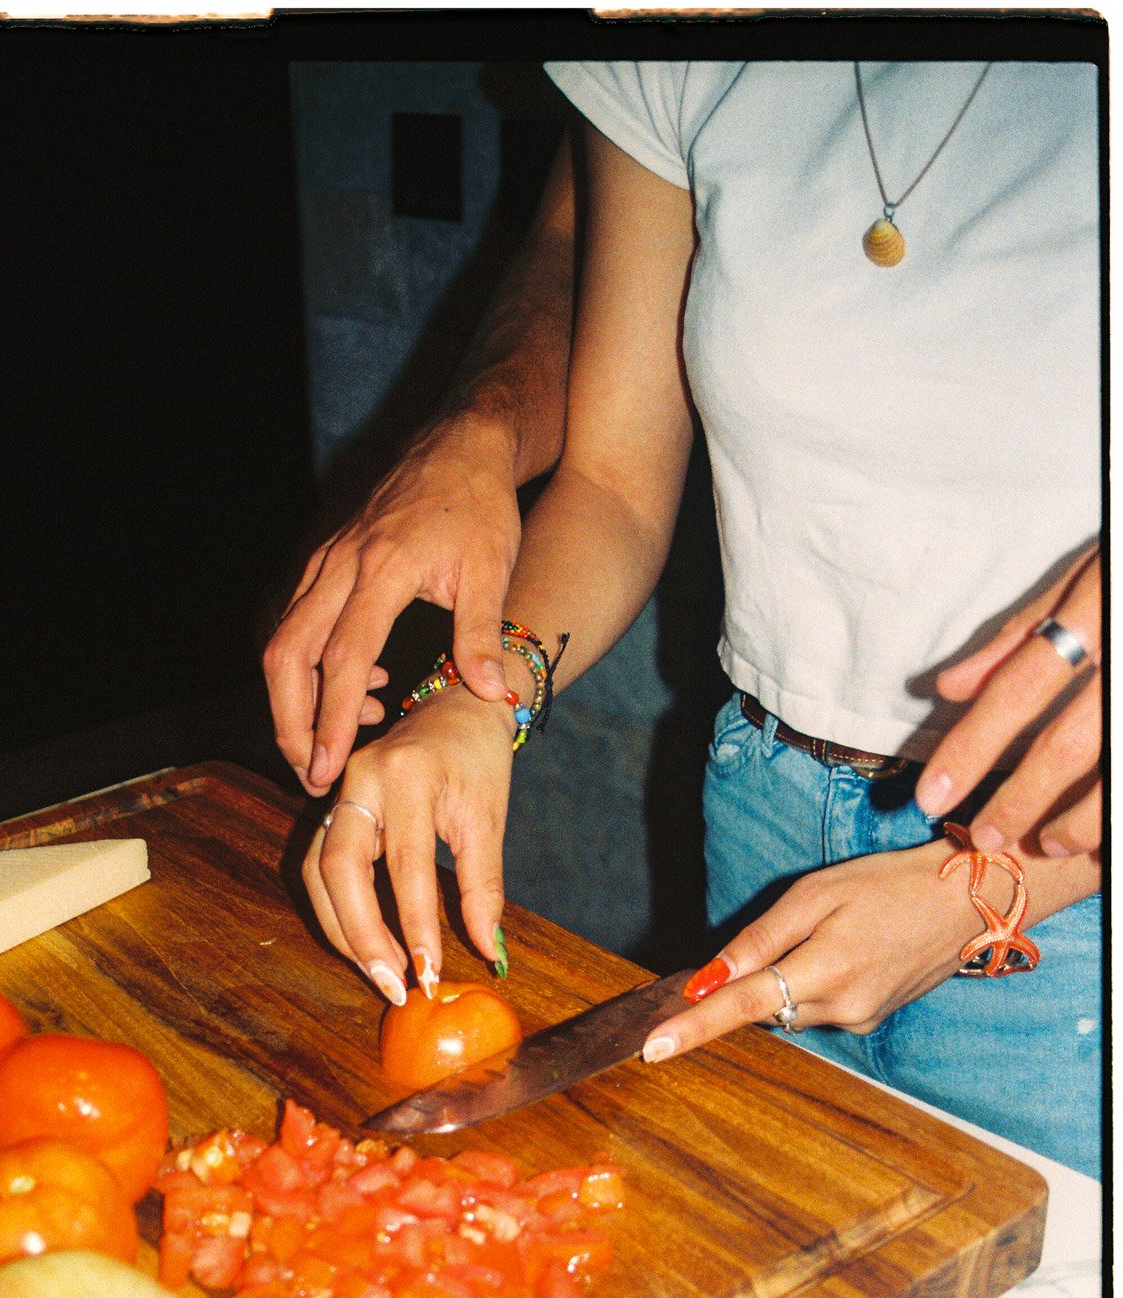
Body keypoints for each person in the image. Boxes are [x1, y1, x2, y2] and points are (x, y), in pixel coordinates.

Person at [264, 60, 1103, 1177]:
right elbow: (610, 485)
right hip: (760, 810)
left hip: (1073, 896)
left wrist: (1002, 885)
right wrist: (475, 697)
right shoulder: (682, 37)